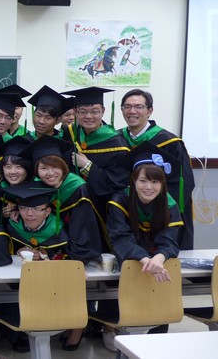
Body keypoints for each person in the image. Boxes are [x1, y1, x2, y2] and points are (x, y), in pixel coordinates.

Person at [99, 143, 184, 349]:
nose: (149, 187)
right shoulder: (120, 200)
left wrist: (159, 257)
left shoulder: (169, 204)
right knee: (120, 300)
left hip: (157, 261)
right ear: (133, 180)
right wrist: (146, 259)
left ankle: (157, 339)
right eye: (143, 180)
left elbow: (169, 238)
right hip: (126, 258)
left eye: (155, 181)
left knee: (160, 285)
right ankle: (114, 331)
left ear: (163, 183)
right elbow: (121, 237)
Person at [118, 89, 195, 250]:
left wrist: (153, 206)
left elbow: (183, 182)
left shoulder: (170, 142)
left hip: (161, 214)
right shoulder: (117, 140)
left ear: (149, 111)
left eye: (138, 106)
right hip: (128, 213)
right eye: (127, 106)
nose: (132, 111)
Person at [17, 135, 103, 264]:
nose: (50, 173)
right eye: (43, 168)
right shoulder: (38, 186)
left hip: (76, 255)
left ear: (63, 166)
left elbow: (83, 231)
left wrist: (65, 256)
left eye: (55, 167)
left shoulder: (78, 189)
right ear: (36, 170)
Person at [61, 87, 130, 224]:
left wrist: (88, 166)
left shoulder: (117, 144)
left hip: (103, 206)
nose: (88, 116)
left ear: (103, 111)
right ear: (75, 112)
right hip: (72, 202)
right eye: (83, 112)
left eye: (95, 111)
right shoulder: (70, 133)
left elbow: (117, 182)